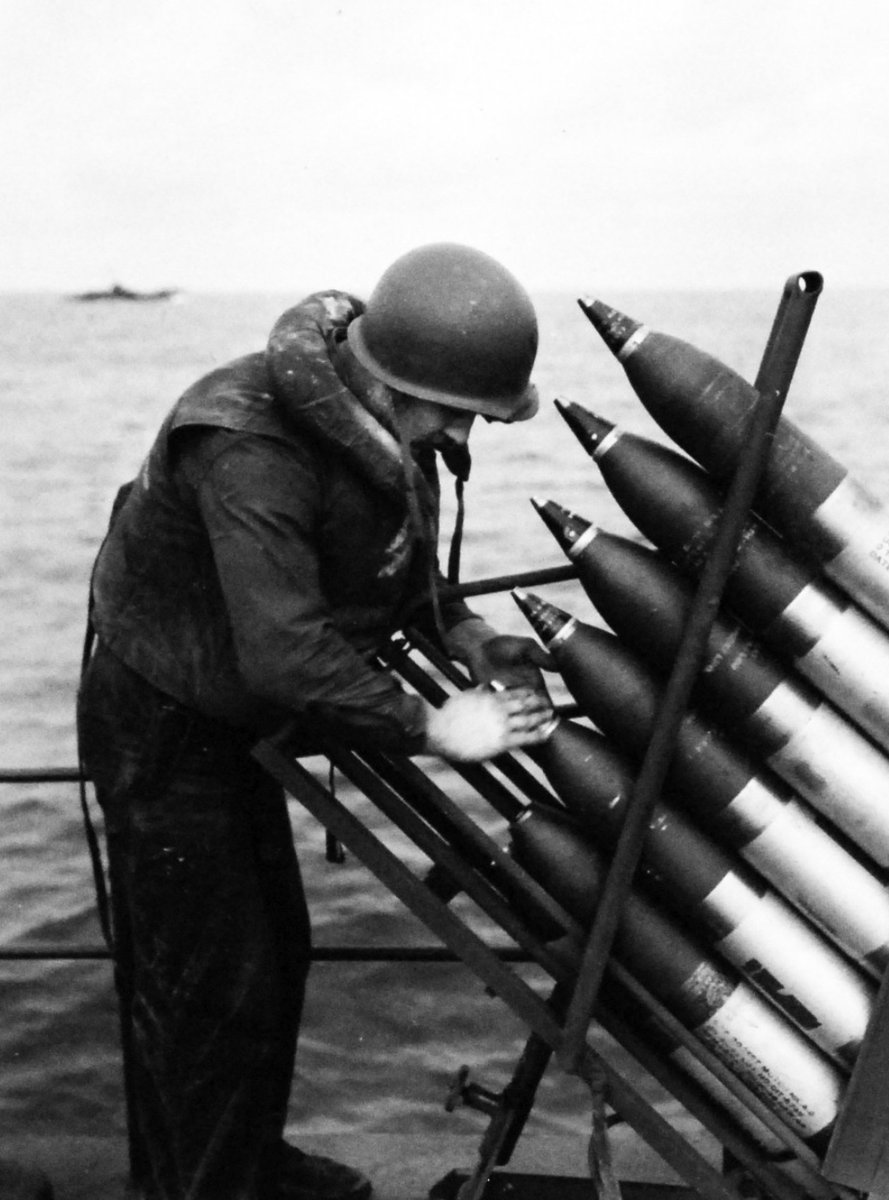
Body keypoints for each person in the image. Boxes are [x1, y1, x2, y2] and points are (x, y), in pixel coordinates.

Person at [76, 243, 557, 1200]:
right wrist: (433, 726)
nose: (463, 430)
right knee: (209, 990)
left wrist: (462, 632)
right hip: (165, 731)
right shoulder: (249, 444)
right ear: (394, 383)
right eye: (457, 409)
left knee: (271, 957)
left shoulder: (380, 430)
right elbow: (285, 653)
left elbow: (386, 555)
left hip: (233, 720)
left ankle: (248, 1163)